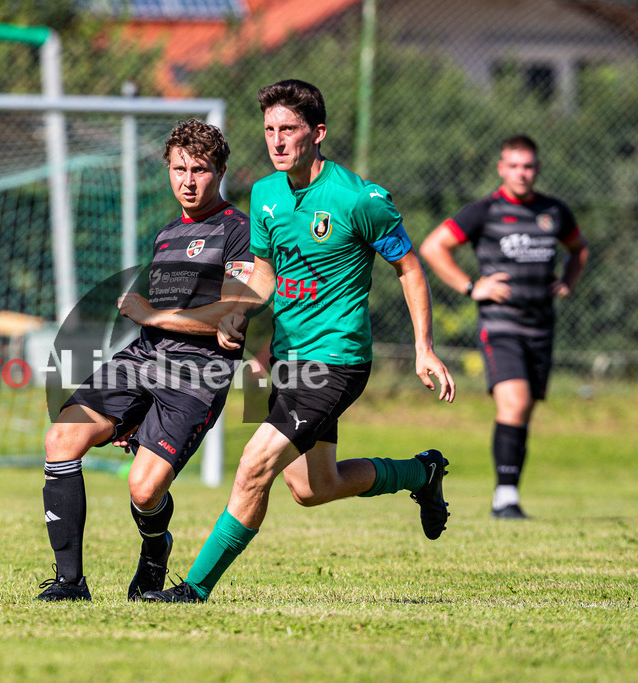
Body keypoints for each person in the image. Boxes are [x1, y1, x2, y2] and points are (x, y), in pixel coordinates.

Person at [142, 79, 455, 604]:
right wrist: (236, 311)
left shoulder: (359, 198)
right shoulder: (264, 195)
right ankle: (421, 472)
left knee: (254, 465)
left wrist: (424, 347)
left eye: (288, 130)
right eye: (269, 130)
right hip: (289, 360)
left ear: (318, 133)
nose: (277, 141)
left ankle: (194, 588)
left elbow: (409, 267)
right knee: (313, 488)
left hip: (336, 359)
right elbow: (263, 273)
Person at [36, 119, 255, 601]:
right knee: (62, 436)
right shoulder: (166, 234)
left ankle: (156, 549)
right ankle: (70, 582)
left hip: (198, 374)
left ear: (220, 171)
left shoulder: (240, 232)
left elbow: (232, 320)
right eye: (179, 168)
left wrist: (153, 313)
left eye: (199, 169)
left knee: (143, 491)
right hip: (142, 357)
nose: (188, 180)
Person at [420, 135, 588, 519]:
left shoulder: (554, 211)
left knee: (524, 410)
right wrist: (471, 286)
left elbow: (579, 248)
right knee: (514, 402)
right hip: (501, 325)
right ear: (501, 169)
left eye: (528, 166)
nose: (521, 173)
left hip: (541, 326)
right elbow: (433, 246)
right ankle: (505, 499)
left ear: (537, 169)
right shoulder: (485, 211)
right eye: (513, 165)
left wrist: (568, 282)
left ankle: (508, 493)